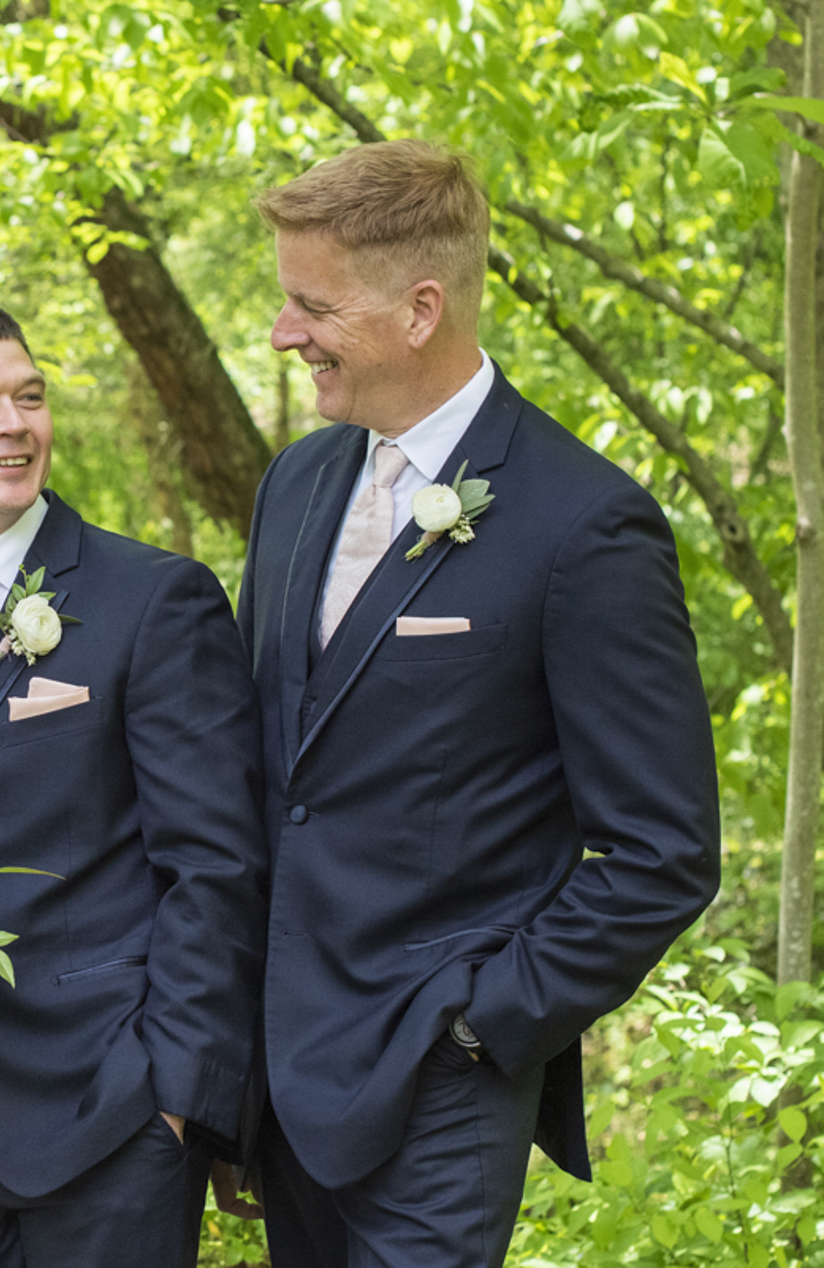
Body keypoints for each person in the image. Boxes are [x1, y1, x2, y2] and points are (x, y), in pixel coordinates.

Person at [233, 139, 722, 1266]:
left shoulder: (584, 524)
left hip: (442, 1080)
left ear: (419, 308)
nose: (281, 332)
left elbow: (663, 849)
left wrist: (486, 1023)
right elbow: (273, 767)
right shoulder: (298, 482)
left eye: (312, 305)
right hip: (282, 1065)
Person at [0, 299, 269, 1268]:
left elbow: (215, 864)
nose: (14, 423)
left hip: (110, 1108)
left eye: (28, 396)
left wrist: (179, 1100)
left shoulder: (152, 598)